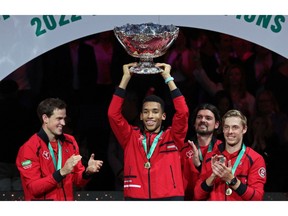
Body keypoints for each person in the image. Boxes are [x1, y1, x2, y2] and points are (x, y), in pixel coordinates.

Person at [108, 62, 189, 200]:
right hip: (136, 197)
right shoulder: (130, 137)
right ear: (141, 116)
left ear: (163, 116)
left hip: (170, 197)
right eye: (146, 112)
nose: (150, 116)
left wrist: (168, 78)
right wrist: (125, 78)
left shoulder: (173, 136)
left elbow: (183, 111)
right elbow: (113, 114)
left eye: (155, 111)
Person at [16, 98, 103, 201]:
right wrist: (61, 172)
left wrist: (87, 172)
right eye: (59, 118)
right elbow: (34, 188)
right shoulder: (29, 148)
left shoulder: (70, 142)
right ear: (45, 118)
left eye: (64, 118)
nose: (63, 123)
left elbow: (77, 181)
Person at [194, 109, 266, 201]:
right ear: (223, 129)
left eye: (235, 127)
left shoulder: (255, 159)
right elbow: (197, 195)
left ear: (244, 129)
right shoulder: (211, 157)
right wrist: (213, 176)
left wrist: (232, 180)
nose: (230, 131)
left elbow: (257, 198)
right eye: (226, 127)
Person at [180, 103, 222, 200]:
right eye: (199, 117)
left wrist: (199, 165)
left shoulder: (222, 149)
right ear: (194, 123)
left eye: (208, 118)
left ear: (216, 124)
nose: (203, 120)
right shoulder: (183, 149)